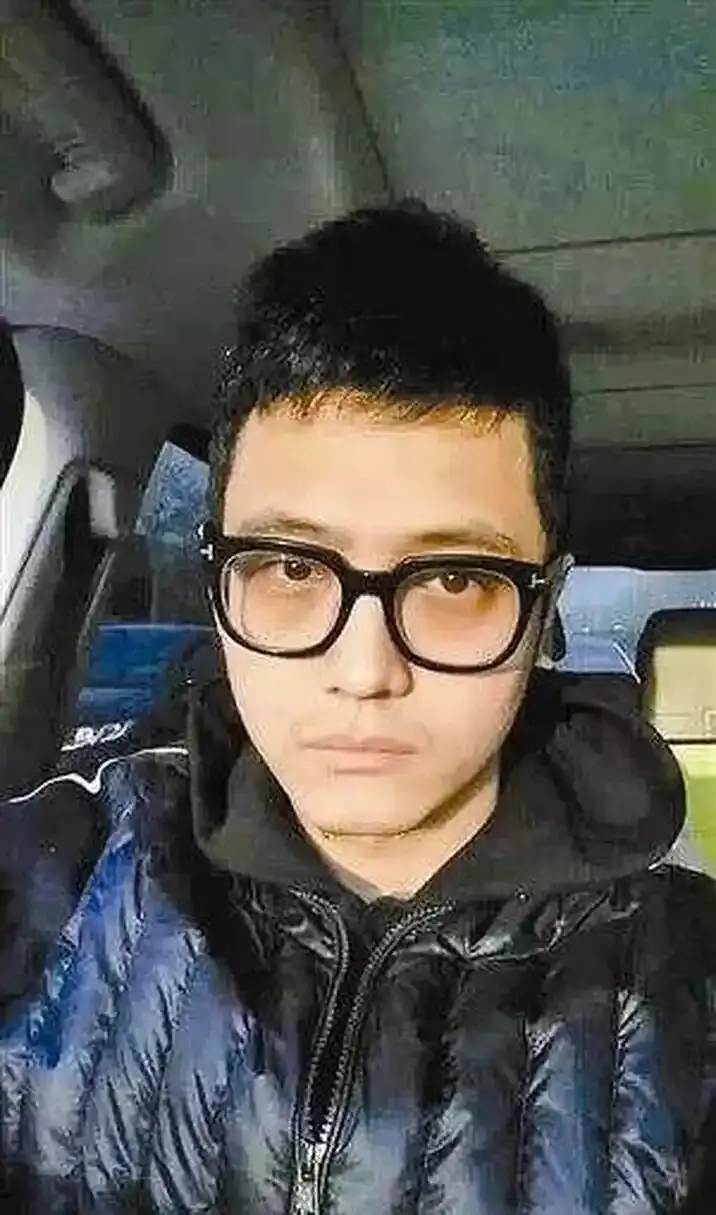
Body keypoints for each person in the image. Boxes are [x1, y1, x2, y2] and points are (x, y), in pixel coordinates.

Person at [0, 201, 714, 1213]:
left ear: (542, 606)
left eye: (455, 579)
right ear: (217, 580)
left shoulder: (688, 996)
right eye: (291, 566)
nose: (364, 668)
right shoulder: (56, 880)